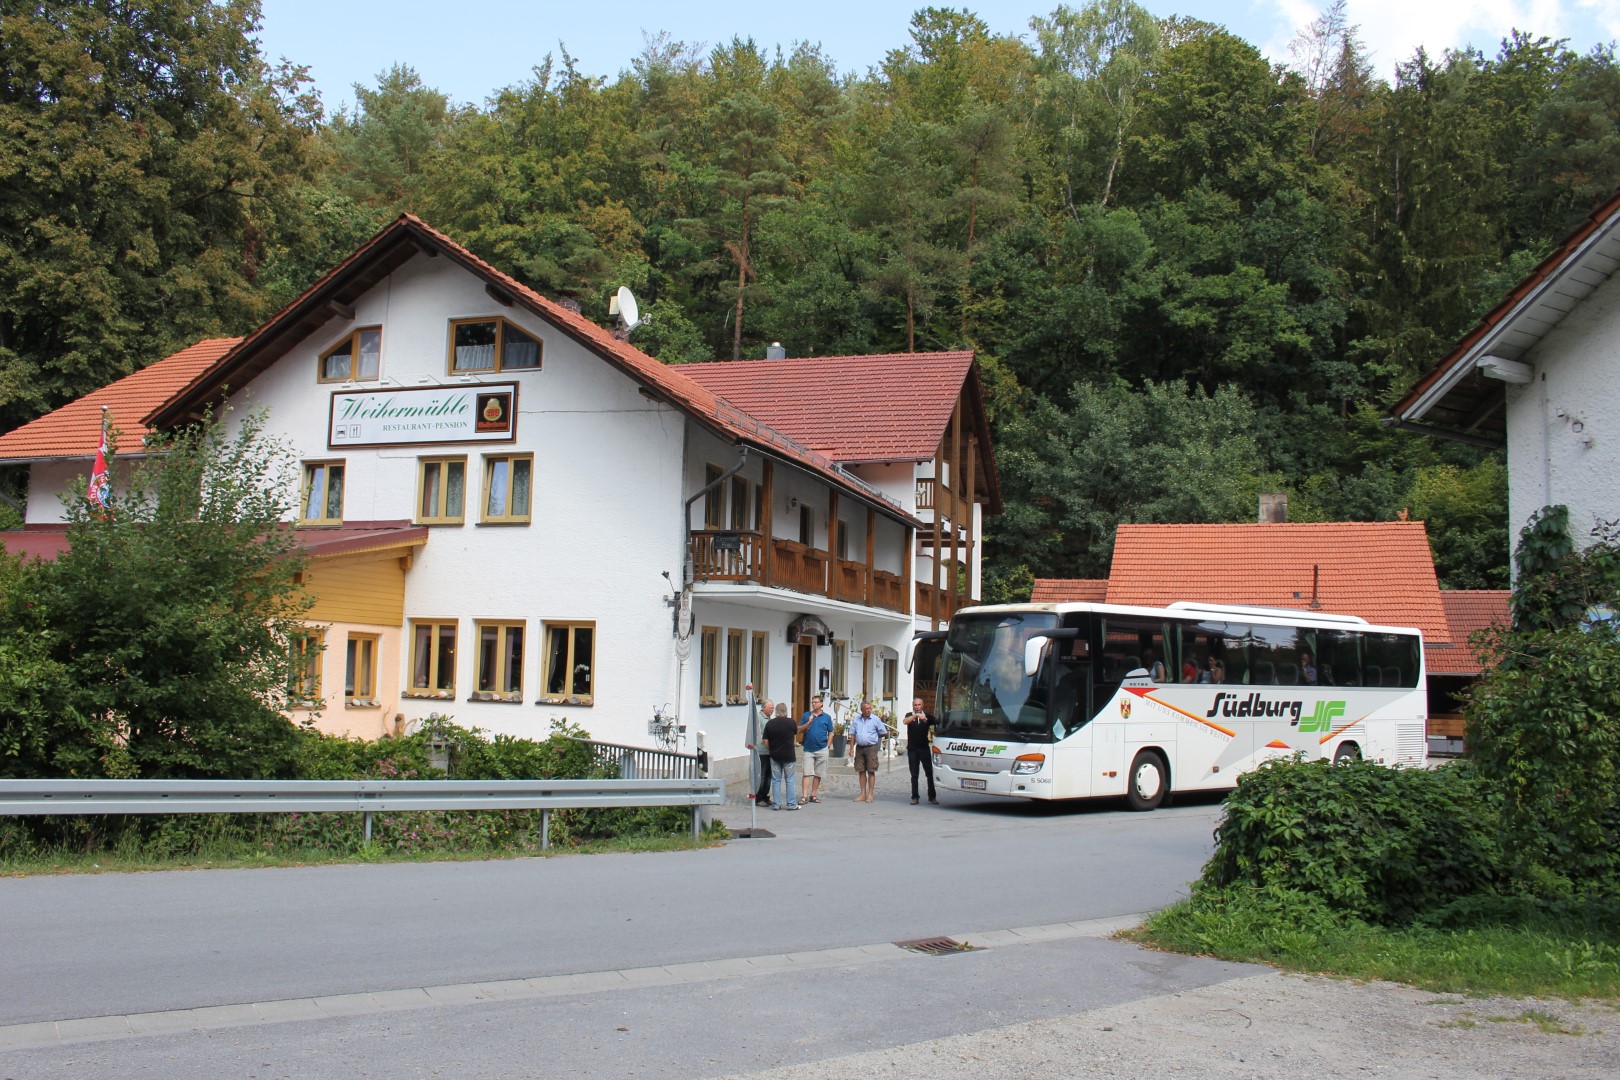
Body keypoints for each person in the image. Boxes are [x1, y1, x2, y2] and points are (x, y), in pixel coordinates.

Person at [761, 702, 800, 811]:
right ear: (786, 711)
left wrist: (771, 749)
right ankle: (791, 804)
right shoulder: (791, 722)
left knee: (776, 780)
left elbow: (764, 740)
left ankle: (777, 804)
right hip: (789, 755)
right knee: (790, 780)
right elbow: (796, 732)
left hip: (775, 755)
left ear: (776, 712)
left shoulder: (770, 723)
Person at [847, 700, 888, 803]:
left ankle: (870, 794)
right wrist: (851, 748)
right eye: (866, 709)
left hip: (871, 747)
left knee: (871, 770)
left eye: (870, 708)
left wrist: (874, 737)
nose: (869, 710)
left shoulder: (875, 719)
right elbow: (853, 734)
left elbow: (883, 732)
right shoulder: (856, 720)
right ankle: (862, 794)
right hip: (860, 747)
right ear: (862, 710)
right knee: (861, 770)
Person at [798, 695, 834, 804]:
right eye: (812, 702)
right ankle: (804, 796)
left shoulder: (826, 717)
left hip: (822, 748)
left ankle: (813, 795)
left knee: (818, 773)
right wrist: (808, 722)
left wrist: (828, 746)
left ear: (821, 704)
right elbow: (799, 730)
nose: (813, 704)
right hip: (808, 749)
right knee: (806, 773)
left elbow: (831, 732)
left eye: (816, 702)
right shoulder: (806, 715)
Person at [902, 696, 938, 805]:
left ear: (922, 706)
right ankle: (915, 797)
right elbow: (905, 721)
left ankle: (932, 797)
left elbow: (937, 721)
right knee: (914, 774)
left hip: (924, 748)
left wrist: (925, 719)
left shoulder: (926, 715)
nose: (917, 707)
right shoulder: (910, 715)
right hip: (912, 749)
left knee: (929, 773)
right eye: (915, 705)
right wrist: (916, 715)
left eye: (919, 705)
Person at [753, 698, 776, 807]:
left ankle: (765, 796)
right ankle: (758, 798)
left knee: (768, 776)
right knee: (761, 776)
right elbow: (760, 735)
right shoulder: (759, 718)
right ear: (764, 708)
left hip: (769, 751)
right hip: (761, 751)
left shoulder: (768, 718)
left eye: (773, 708)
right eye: (771, 708)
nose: (772, 710)